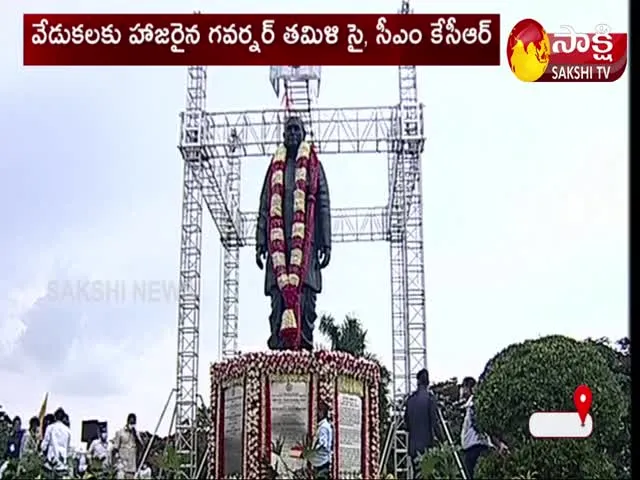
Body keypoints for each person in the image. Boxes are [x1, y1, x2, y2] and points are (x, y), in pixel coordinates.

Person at [256, 115, 332, 351]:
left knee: (306, 304)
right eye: (288, 130)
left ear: (304, 134)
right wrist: (260, 241)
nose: (292, 134)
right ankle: (279, 355)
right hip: (278, 249)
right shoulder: (274, 169)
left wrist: (326, 243)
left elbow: (323, 204)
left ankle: (304, 355)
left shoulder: (314, 167)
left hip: (306, 249)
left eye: (296, 130)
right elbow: (265, 205)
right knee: (278, 306)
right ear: (283, 135)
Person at [459, 376, 508, 479]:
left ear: (469, 388)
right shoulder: (470, 406)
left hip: (475, 449)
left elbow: (483, 426)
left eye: (464, 387)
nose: (462, 391)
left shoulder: (473, 405)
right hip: (475, 448)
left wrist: (498, 444)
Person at [404, 369, 443, 478]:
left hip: (413, 447)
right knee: (428, 475)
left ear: (417, 382)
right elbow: (435, 422)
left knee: (417, 475)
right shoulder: (430, 399)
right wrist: (442, 440)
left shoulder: (410, 400)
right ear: (428, 382)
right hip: (427, 446)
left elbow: (406, 424)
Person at [40, 408, 72, 479]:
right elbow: (68, 448)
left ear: (55, 417)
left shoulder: (50, 427)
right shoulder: (67, 430)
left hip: (51, 462)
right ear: (63, 418)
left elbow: (44, 445)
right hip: (62, 462)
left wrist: (42, 451)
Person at [113, 413, 141, 478]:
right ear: (127, 422)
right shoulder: (120, 433)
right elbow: (115, 449)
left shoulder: (136, 434)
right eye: (131, 423)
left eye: (134, 423)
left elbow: (141, 447)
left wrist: (136, 435)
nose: (132, 425)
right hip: (122, 466)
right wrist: (118, 462)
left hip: (132, 466)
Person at [310, 402, 333, 479]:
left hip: (321, 461)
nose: (316, 414)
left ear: (322, 412)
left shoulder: (323, 427)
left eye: (318, 411)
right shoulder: (324, 426)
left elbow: (323, 444)